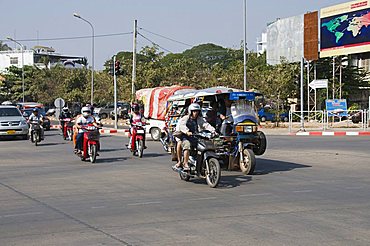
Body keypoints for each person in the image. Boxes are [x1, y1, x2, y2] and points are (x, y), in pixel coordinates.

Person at [172, 103, 216, 171]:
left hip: (196, 137)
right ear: (190, 111)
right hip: (186, 137)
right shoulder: (186, 118)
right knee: (187, 145)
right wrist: (187, 131)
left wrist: (213, 131)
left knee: (204, 146)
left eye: (197, 111)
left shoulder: (200, 119)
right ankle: (185, 163)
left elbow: (206, 125)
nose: (196, 113)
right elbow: (182, 126)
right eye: (194, 111)